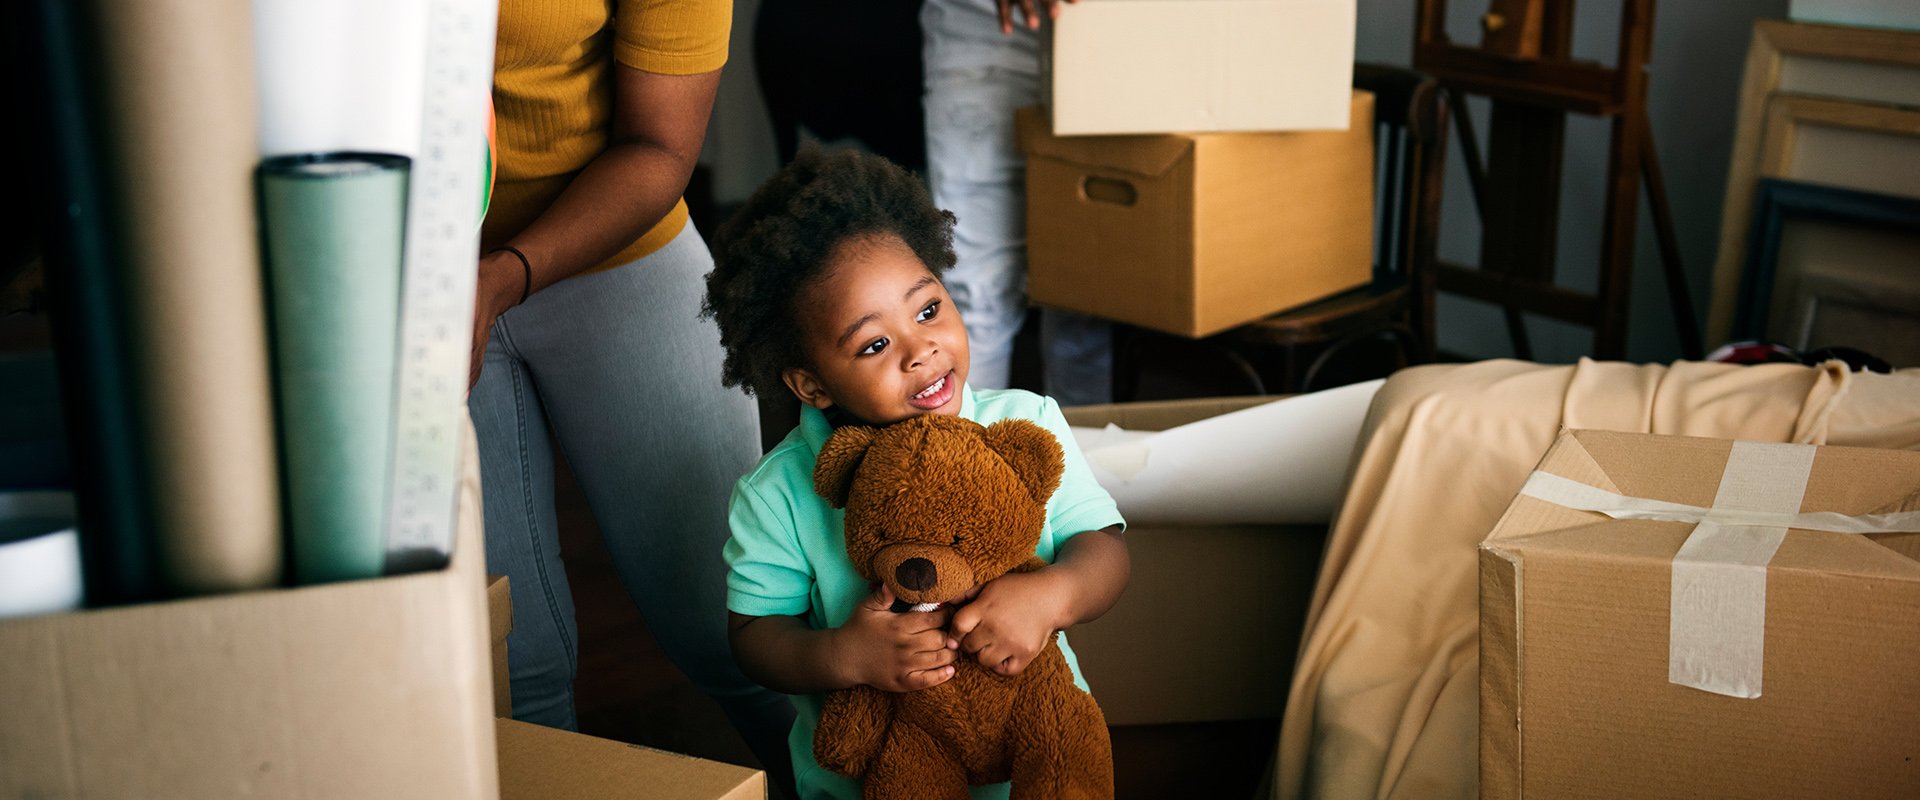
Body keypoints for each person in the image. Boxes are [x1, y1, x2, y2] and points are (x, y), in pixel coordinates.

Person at [701, 147, 1131, 798]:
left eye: (928, 310)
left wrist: (1054, 596)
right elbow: (756, 636)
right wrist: (844, 656)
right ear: (811, 384)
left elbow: (1104, 548)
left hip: (1032, 769)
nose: (921, 349)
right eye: (874, 344)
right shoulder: (779, 493)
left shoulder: (1026, 423)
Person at [469, 0, 795, 794]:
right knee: (510, 672)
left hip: (611, 240)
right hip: (393, 268)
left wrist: (497, 279)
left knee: (735, 627)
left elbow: (658, 148)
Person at [920, 0, 1114, 406]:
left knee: (1086, 294)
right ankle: (969, 462)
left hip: (1113, 33)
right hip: (985, 26)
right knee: (975, 293)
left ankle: (1081, 462)